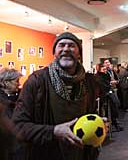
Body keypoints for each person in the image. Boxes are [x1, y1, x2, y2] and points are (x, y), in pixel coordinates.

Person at [12, 32, 100, 160]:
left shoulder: (89, 83)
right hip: (46, 153)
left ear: (79, 53)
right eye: (61, 45)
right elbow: (18, 126)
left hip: (79, 154)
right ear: (55, 53)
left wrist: (97, 123)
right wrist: (53, 131)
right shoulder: (37, 81)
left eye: (71, 45)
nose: (66, 49)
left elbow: (90, 115)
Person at [0, 68, 23, 159]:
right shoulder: (2, 103)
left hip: (18, 148)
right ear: (6, 82)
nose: (19, 84)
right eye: (16, 81)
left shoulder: (21, 97)